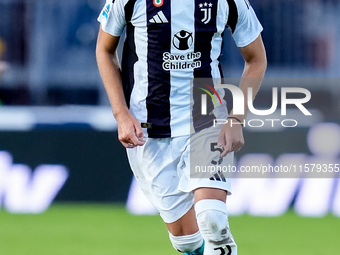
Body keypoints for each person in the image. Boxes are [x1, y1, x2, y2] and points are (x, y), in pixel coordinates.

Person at [96, 0, 266, 254]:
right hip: (149, 126)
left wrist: (236, 118)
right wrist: (121, 113)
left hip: (205, 110)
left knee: (213, 222)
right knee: (188, 242)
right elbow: (104, 49)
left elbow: (256, 59)